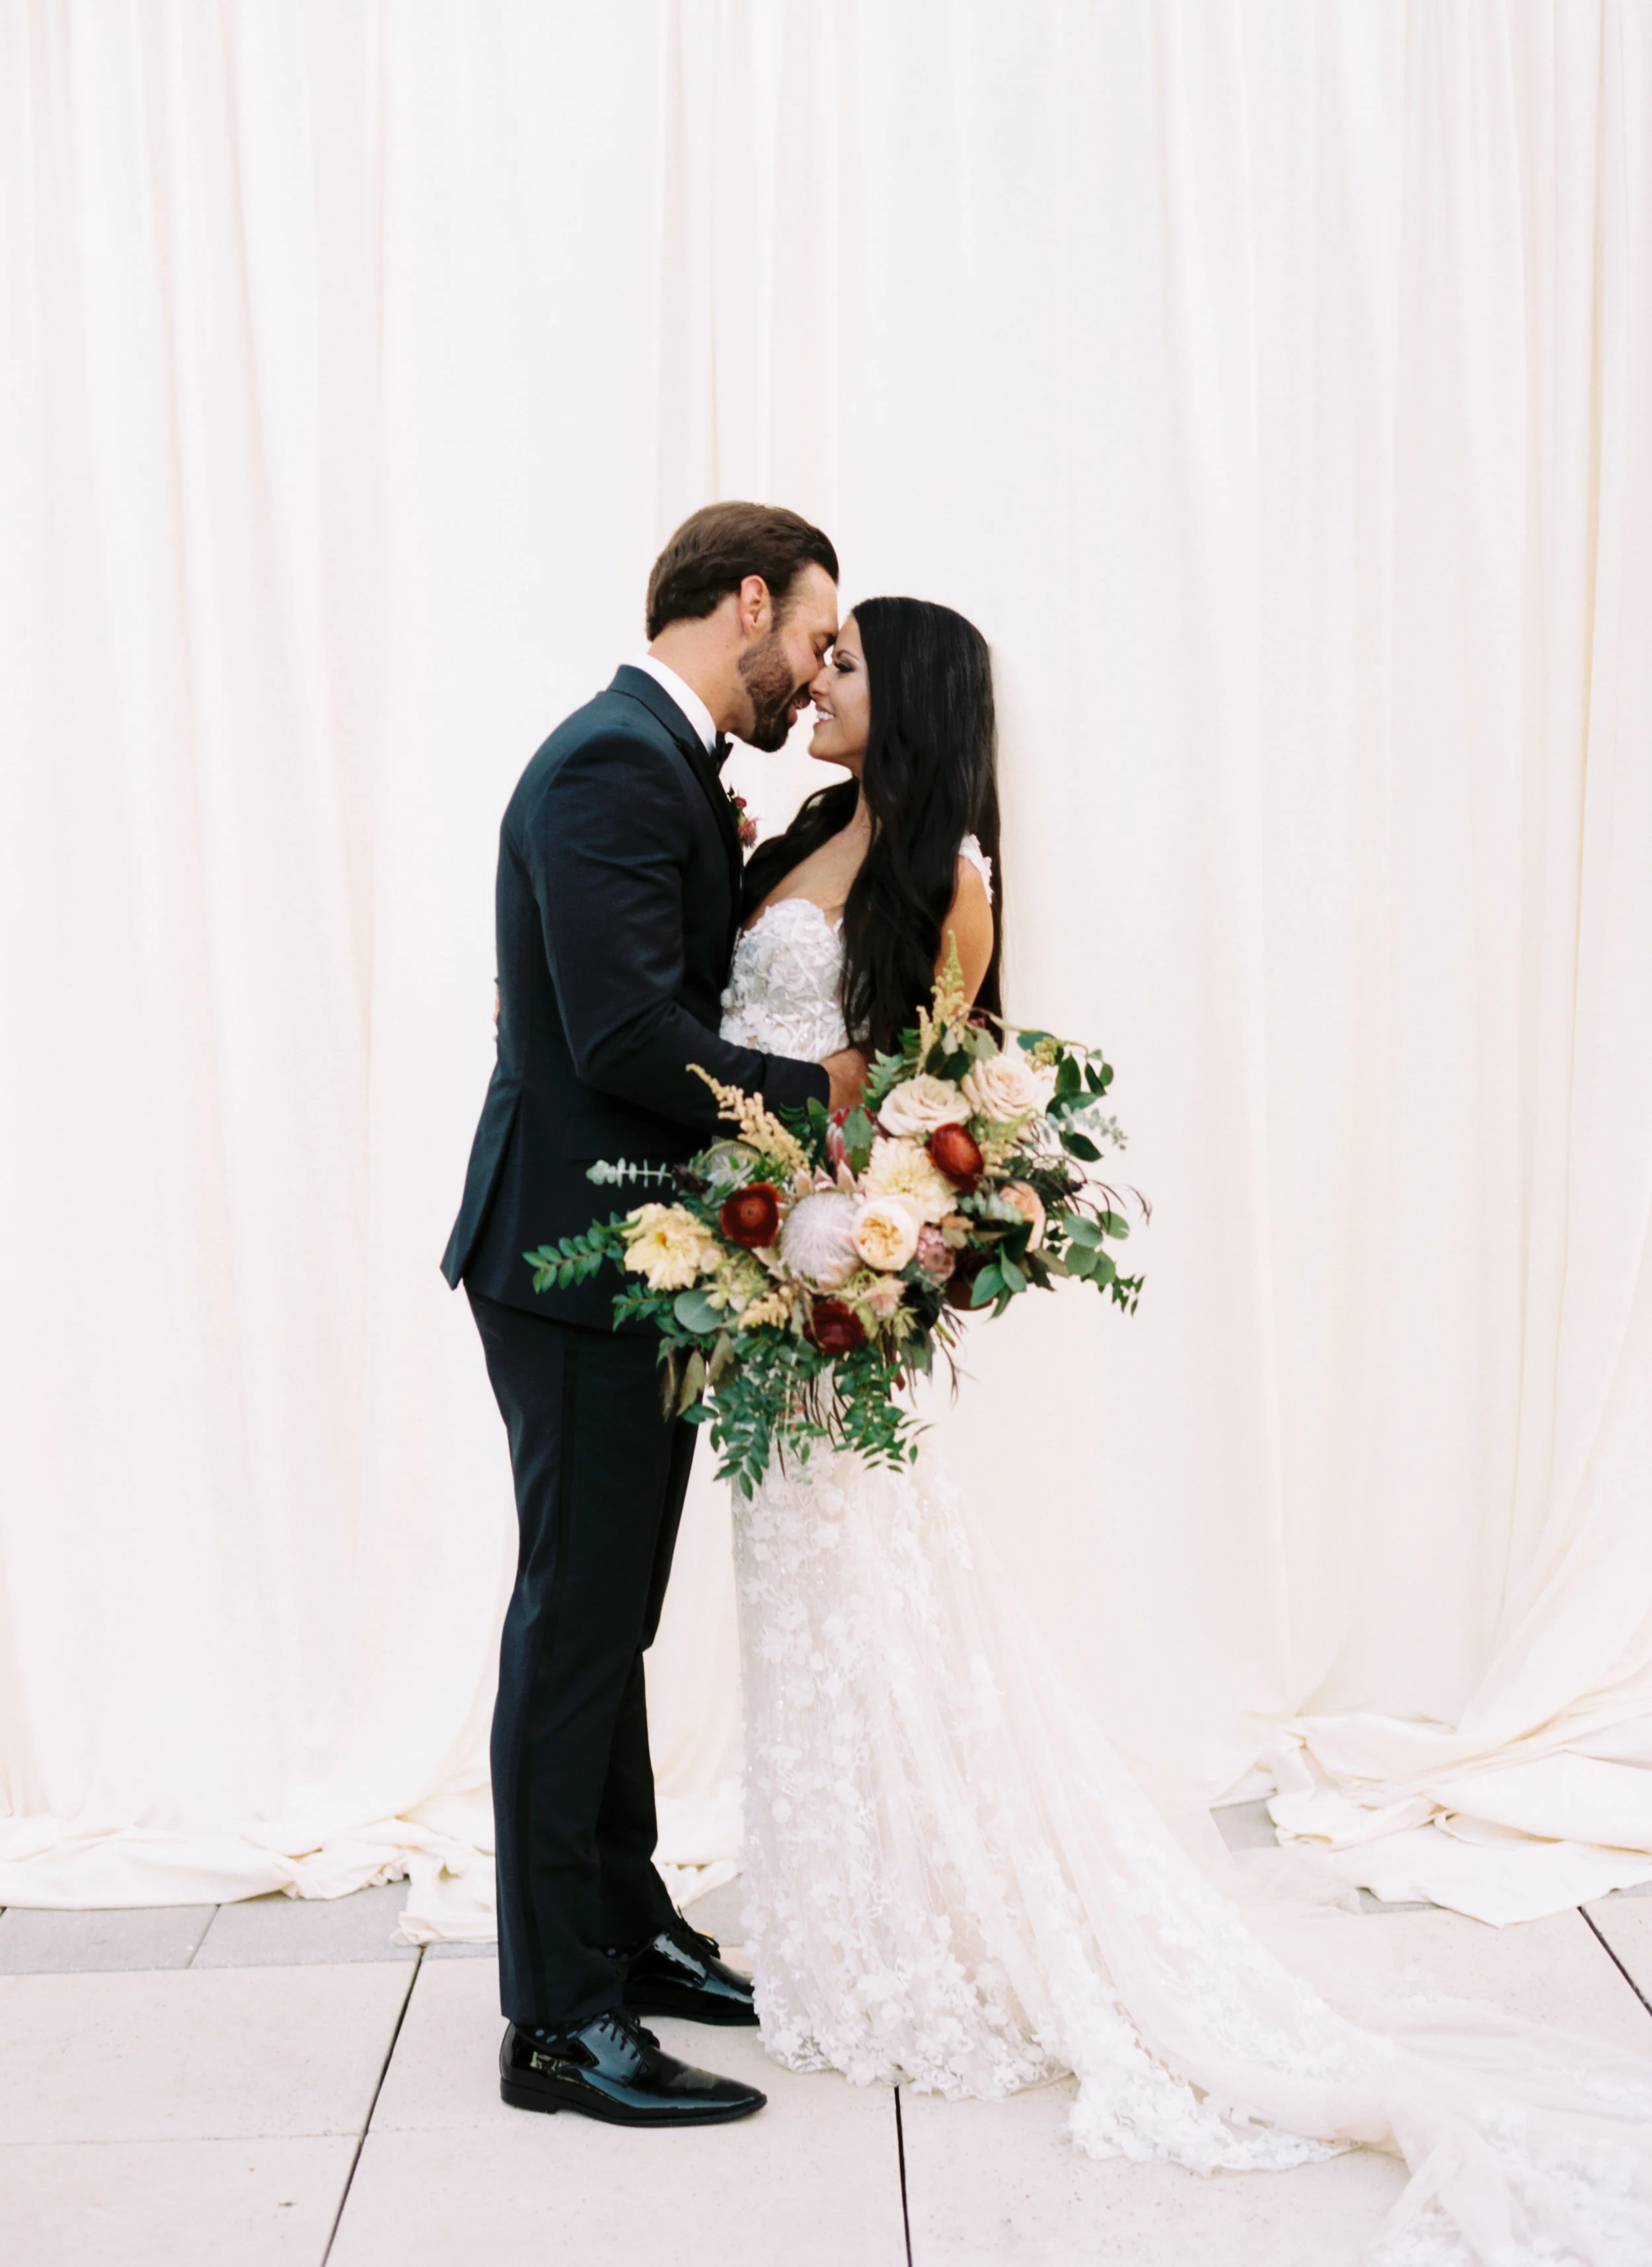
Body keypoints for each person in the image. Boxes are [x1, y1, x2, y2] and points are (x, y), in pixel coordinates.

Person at [720, 596, 1652, 2262]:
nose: (818, 677)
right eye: (822, 651)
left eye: (848, 660)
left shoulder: (950, 880)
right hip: (757, 1274)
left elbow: (936, 1094)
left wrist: (864, 1229)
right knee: (801, 1599)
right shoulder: (794, 828)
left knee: (873, 1589)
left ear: (913, 695)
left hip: (832, 1275)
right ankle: (837, 1916)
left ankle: (916, 1928)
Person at [441, 502, 866, 2129]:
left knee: (603, 1616)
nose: (815, 668)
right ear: (741, 600)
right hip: (572, 1262)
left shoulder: (656, 758)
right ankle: (556, 2021)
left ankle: (626, 1926)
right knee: (571, 1625)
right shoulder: (614, 761)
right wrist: (811, 1097)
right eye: (813, 635)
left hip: (626, 1262)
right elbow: (625, 1031)